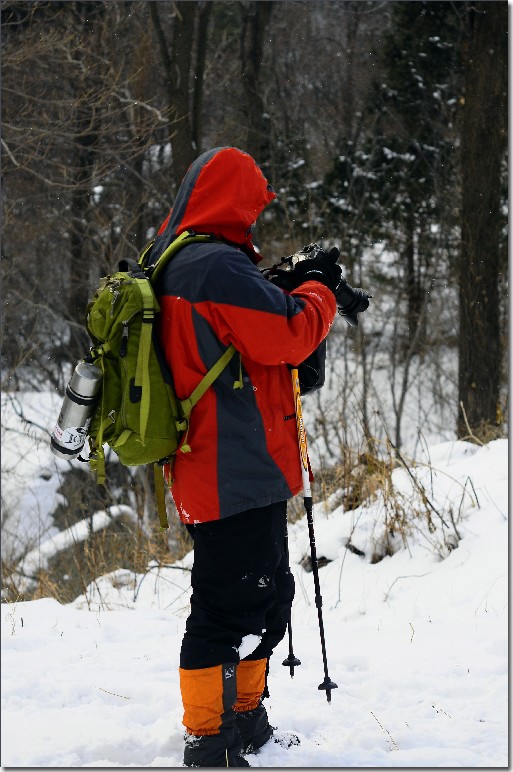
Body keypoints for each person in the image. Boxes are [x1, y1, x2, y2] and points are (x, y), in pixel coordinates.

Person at [147, 146, 343, 767]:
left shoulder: (177, 259)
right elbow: (289, 333)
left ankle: (245, 719)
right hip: (231, 467)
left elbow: (233, 336)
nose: (255, 220)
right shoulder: (212, 267)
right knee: (228, 604)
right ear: (232, 201)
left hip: (219, 463)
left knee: (264, 593)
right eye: (252, 206)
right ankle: (208, 738)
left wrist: (279, 285)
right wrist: (321, 291)